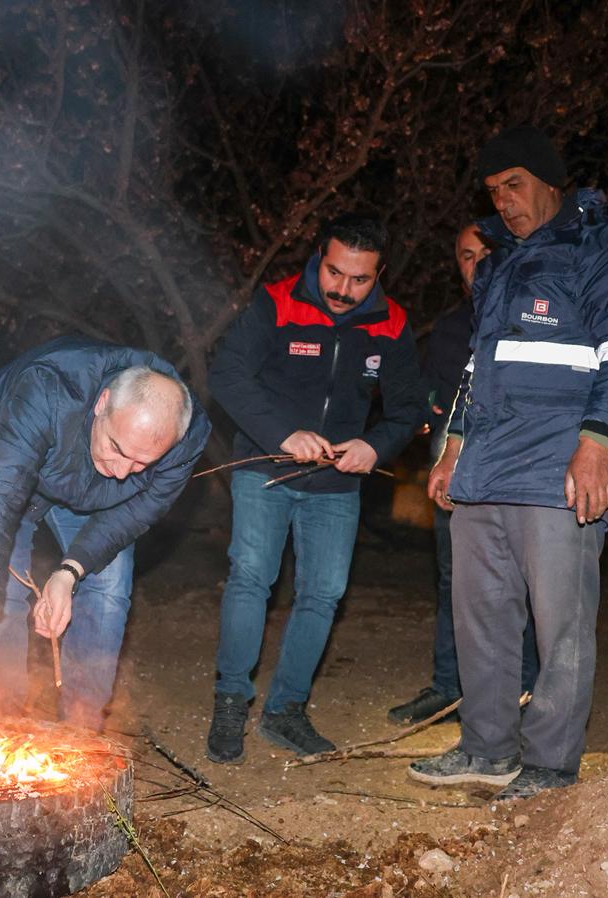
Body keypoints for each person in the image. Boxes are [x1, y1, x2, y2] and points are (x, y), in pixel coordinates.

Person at [407, 127, 608, 800]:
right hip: (486, 466)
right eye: (493, 190)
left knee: (561, 628)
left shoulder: (603, 248)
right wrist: (453, 445)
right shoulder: (498, 262)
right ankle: (486, 748)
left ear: (550, 181)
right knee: (480, 619)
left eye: (514, 184)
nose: (505, 201)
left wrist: (597, 444)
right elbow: (476, 364)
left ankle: (550, 764)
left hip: (559, 469)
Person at [205, 214, 424, 762]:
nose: (343, 290)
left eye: (359, 280)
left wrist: (376, 446)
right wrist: (282, 432)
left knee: (323, 593)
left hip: (337, 483)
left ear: (379, 275)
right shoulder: (276, 302)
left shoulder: (392, 324)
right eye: (334, 272)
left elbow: (408, 408)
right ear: (318, 258)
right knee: (252, 577)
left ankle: (285, 711)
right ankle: (231, 699)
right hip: (266, 466)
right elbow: (228, 375)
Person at [0, 336, 210, 730]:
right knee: (5, 596)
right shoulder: (47, 390)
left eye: (141, 463)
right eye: (117, 447)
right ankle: (1, 724)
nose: (122, 470)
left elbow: (137, 510)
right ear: (101, 403)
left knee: (108, 590)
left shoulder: (186, 436)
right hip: (7, 459)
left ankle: (81, 733)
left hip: (92, 492)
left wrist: (70, 571)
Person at [386, 224, 539, 727]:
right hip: (454, 456)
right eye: (466, 256)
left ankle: (525, 691)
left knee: (522, 578)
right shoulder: (454, 325)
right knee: (455, 577)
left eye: (486, 253)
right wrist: (427, 407)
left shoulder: (536, 312)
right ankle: (448, 688)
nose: (476, 265)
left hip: (518, 459)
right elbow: (434, 388)